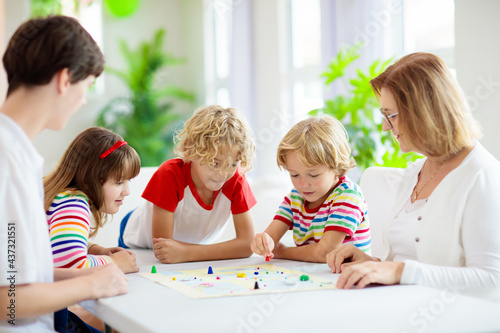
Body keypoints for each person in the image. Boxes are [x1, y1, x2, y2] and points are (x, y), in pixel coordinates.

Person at [327, 52, 500, 300]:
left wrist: (398, 270)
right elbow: (407, 262)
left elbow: (491, 280)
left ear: (425, 112)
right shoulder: (415, 172)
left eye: (391, 115)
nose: (386, 126)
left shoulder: (483, 177)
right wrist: (371, 263)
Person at [0, 16, 128, 333]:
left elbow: (17, 275)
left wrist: (84, 275)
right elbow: (8, 302)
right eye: (85, 87)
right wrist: (91, 286)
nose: (83, 99)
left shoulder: (19, 154)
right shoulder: (8, 161)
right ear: (64, 79)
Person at [119, 105, 257, 263]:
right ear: (191, 150)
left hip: (187, 247)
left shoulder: (236, 180)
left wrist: (188, 253)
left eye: (232, 165)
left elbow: (247, 244)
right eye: (214, 163)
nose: (222, 174)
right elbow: (163, 247)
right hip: (137, 241)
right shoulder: (169, 174)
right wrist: (191, 252)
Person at [251, 116, 371, 263]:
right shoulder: (295, 197)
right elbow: (270, 238)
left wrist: (283, 251)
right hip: (315, 276)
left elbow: (324, 253)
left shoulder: (348, 196)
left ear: (338, 169)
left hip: (348, 277)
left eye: (313, 175)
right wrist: (263, 242)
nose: (303, 184)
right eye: (294, 175)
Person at [44, 127, 140, 273]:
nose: (127, 192)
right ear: (89, 180)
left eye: (128, 182)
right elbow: (70, 265)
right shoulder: (73, 203)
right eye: (119, 182)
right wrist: (114, 262)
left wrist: (94, 249)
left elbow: (53, 242)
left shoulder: (59, 195)